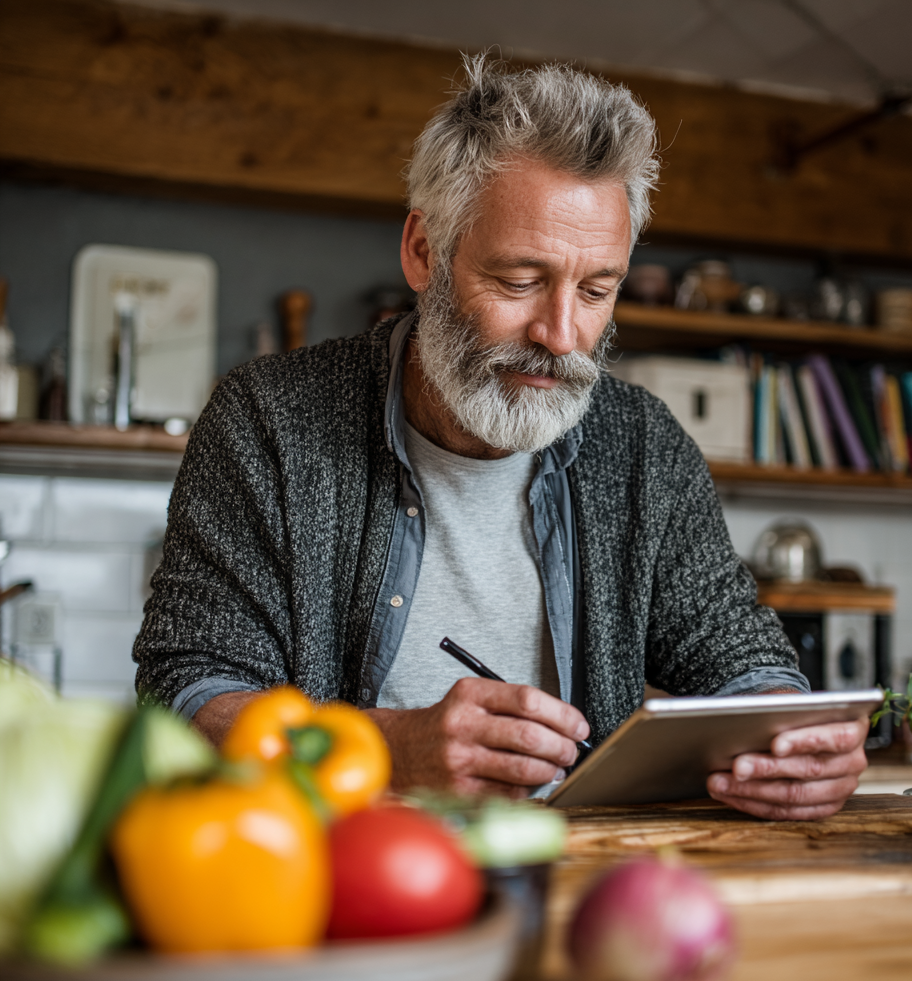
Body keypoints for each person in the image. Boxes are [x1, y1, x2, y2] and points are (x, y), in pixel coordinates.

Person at [135, 57, 868, 820]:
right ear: (424, 252)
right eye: (519, 281)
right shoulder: (268, 421)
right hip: (335, 874)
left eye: (596, 290)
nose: (561, 335)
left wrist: (795, 735)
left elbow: (739, 656)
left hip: (582, 876)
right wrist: (387, 750)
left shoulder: (645, 446)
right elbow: (188, 690)